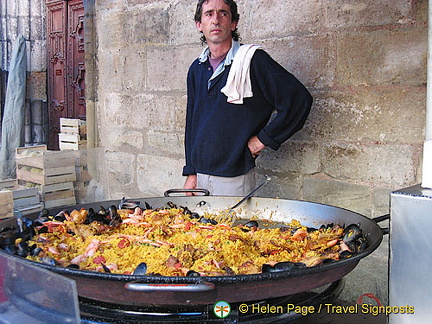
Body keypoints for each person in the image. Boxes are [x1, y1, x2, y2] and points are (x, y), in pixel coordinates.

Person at [182, 0, 313, 196]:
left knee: (232, 227)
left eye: (223, 14)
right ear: (199, 25)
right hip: (200, 177)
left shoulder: (252, 60)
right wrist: (191, 172)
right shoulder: (196, 68)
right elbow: (192, 123)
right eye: (209, 14)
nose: (216, 20)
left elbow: (299, 100)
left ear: (233, 23)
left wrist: (262, 139)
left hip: (234, 177)